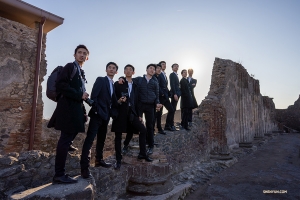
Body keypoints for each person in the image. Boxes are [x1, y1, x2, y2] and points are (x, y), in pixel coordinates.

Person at [48, 44, 90, 184]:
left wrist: (83, 111)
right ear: (75, 55)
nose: (82, 55)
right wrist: (79, 94)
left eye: (84, 53)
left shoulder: (80, 72)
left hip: (75, 108)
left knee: (68, 137)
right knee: (64, 140)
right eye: (79, 52)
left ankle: (68, 144)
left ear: (87, 57)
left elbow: (80, 94)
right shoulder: (70, 67)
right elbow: (61, 85)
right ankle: (59, 174)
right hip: (67, 108)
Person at [80, 62, 118, 179]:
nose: (111, 69)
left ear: (116, 72)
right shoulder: (101, 80)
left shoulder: (113, 85)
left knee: (102, 139)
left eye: (114, 68)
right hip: (97, 114)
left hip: (106, 116)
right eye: (110, 68)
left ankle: (99, 160)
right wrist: (97, 111)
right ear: (106, 70)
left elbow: (112, 101)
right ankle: (84, 167)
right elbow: (94, 97)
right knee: (90, 139)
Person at [111, 64, 153, 170]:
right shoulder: (118, 83)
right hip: (121, 112)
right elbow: (113, 99)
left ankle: (142, 153)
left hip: (132, 113)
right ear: (124, 72)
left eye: (131, 70)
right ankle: (118, 160)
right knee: (118, 136)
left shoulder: (135, 85)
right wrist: (119, 101)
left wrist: (139, 115)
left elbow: (138, 101)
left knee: (143, 130)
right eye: (126, 69)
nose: (128, 71)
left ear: (133, 73)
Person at [119, 64, 162, 155]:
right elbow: (128, 78)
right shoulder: (139, 79)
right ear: (146, 70)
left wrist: (157, 103)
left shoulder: (155, 82)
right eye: (150, 68)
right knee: (133, 125)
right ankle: (125, 145)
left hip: (151, 106)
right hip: (139, 106)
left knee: (150, 126)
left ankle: (150, 146)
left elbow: (157, 96)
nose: (152, 70)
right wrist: (121, 78)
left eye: (153, 69)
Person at [155, 61, 175, 134]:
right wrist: (162, 93)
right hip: (160, 97)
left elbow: (165, 86)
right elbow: (158, 85)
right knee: (159, 113)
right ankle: (159, 128)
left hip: (165, 97)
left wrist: (169, 93)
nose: (164, 66)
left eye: (165, 64)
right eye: (162, 64)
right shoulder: (158, 75)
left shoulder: (164, 75)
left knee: (171, 110)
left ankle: (167, 125)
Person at [169, 63, 181, 131]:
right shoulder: (172, 74)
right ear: (172, 68)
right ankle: (170, 124)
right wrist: (175, 94)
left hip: (177, 94)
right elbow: (172, 85)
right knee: (172, 109)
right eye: (175, 66)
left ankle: (171, 124)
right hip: (175, 94)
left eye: (177, 66)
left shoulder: (176, 75)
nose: (176, 67)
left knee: (173, 109)